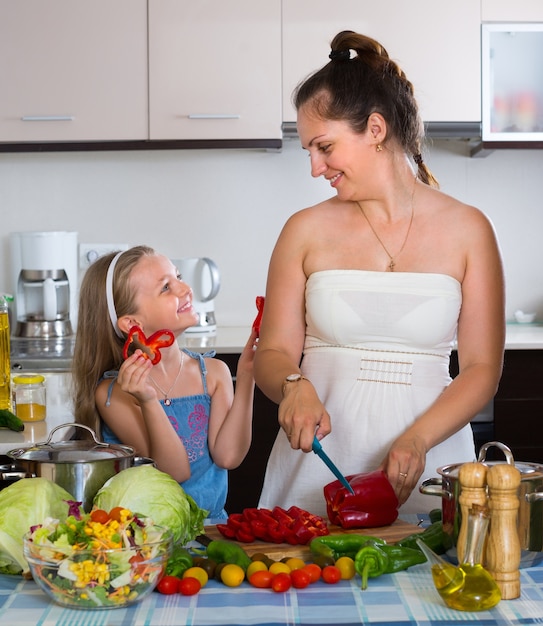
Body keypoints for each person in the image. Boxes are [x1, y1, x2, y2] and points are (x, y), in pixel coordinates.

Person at [254, 30, 505, 517]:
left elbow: (481, 370)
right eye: (308, 150)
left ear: (374, 129)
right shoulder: (302, 230)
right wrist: (292, 383)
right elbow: (275, 351)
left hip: (426, 470)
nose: (314, 167)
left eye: (324, 147)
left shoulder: (470, 229)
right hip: (314, 470)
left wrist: (418, 440)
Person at [72, 245, 257, 519]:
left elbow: (228, 457)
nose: (185, 289)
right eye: (166, 288)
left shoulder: (214, 374)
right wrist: (147, 399)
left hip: (215, 529)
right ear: (131, 322)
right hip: (154, 537)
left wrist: (247, 376)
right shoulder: (114, 394)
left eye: (179, 277)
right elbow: (174, 473)